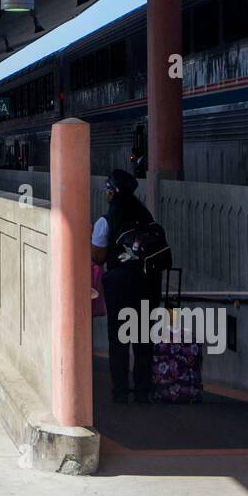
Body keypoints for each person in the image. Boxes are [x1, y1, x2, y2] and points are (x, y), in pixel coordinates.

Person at [91, 168, 160, 404]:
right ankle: (143, 390)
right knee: (143, 339)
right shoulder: (146, 216)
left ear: (113, 192)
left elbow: (98, 257)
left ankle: (120, 391)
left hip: (119, 284)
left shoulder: (105, 221)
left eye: (109, 190)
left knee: (118, 339)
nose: (107, 194)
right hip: (148, 283)